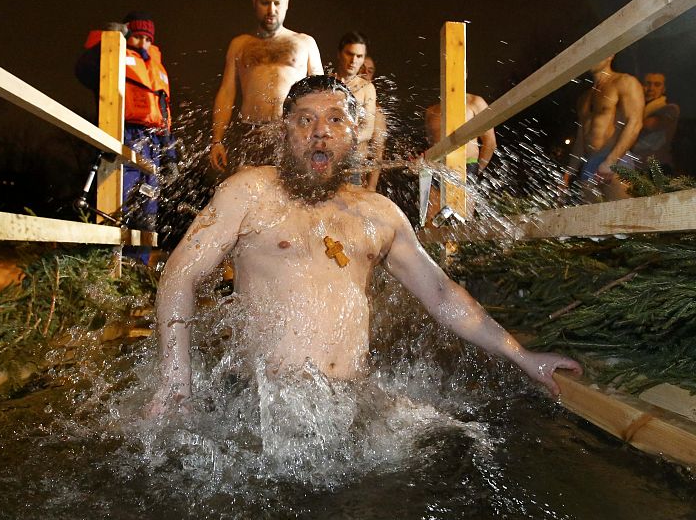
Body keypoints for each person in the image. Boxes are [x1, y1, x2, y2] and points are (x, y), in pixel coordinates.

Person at [148, 75, 581, 416]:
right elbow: (180, 275)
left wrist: (523, 357)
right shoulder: (249, 192)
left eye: (336, 120)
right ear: (285, 132)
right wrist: (175, 382)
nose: (320, 132)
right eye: (305, 120)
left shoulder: (378, 213)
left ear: (355, 133)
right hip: (263, 408)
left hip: (351, 406)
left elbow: (442, 294)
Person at [208, 0, 323, 173]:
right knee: (248, 189)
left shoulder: (305, 43)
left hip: (292, 134)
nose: (271, 10)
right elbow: (226, 93)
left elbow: (321, 96)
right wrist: (217, 140)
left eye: (277, 3)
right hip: (250, 132)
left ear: (287, 3)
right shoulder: (240, 45)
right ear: (254, 1)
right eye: (265, 2)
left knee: (290, 190)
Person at [75, 11, 176, 232]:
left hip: (153, 144)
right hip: (123, 134)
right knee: (121, 202)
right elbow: (83, 70)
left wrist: (170, 156)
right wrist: (107, 41)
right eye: (138, 36)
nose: (143, 43)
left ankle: (141, 254)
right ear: (128, 35)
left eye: (148, 39)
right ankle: (114, 251)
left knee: (148, 208)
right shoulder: (113, 56)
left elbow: (163, 115)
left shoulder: (157, 69)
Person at [567, 55, 644, 202]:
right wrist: (567, 175)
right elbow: (580, 141)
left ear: (610, 54)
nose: (591, 56)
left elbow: (635, 123)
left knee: (623, 214)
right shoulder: (584, 98)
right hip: (589, 163)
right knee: (592, 216)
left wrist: (611, 161)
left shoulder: (624, 82)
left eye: (596, 52)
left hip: (616, 158)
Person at [424, 93, 497, 222]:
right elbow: (430, 147)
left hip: (467, 167)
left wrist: (475, 170)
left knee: (461, 223)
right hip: (437, 168)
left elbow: (490, 143)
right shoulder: (431, 111)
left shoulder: (475, 102)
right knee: (433, 224)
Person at [332, 31, 376, 186]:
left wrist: (346, 140)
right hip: (325, 154)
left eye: (359, 56)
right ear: (339, 54)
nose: (354, 61)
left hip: (352, 159)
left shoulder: (366, 88)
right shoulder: (326, 82)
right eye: (350, 54)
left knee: (351, 197)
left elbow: (368, 129)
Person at [631, 72, 679, 174]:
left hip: (657, 168)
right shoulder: (639, 107)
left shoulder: (670, 108)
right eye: (647, 84)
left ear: (663, 89)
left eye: (657, 85)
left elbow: (649, 125)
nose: (651, 88)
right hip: (636, 167)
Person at [359, 55, 388, 191]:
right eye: (362, 67)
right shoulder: (336, 99)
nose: (365, 72)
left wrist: (371, 188)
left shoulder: (376, 112)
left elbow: (378, 154)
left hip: (356, 178)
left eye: (370, 71)